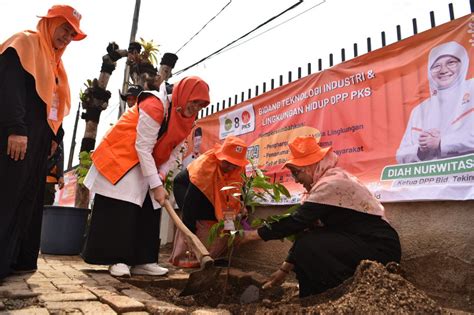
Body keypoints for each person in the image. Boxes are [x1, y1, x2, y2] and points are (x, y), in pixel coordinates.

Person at [81, 76, 210, 277]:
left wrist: (160, 174)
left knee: (152, 206)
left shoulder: (187, 119)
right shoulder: (155, 105)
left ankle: (143, 260)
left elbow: (175, 151)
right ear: (183, 94)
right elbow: (142, 146)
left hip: (146, 159)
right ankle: (118, 259)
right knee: (124, 203)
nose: (195, 108)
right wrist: (155, 183)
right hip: (122, 154)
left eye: (200, 105)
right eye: (194, 102)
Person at [241, 136, 401, 297]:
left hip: (378, 247)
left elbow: (297, 222)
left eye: (296, 173)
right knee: (308, 243)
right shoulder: (325, 184)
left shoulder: (332, 184)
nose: (296, 180)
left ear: (311, 167)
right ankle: (312, 300)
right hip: (359, 242)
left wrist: (251, 236)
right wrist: (284, 270)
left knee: (310, 245)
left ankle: (340, 297)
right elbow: (305, 230)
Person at [0, 4, 86, 279]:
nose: (67, 36)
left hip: (38, 142)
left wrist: (55, 139)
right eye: (64, 28)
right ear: (50, 22)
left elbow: (54, 106)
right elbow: (9, 88)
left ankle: (19, 259)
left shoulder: (56, 63)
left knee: (30, 199)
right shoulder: (24, 43)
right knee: (8, 196)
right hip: (17, 134)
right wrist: (15, 129)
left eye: (72, 34)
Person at [170, 136, 249, 267]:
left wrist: (242, 204)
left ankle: (212, 256)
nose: (230, 167)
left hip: (213, 191)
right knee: (199, 216)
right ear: (220, 156)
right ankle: (186, 257)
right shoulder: (205, 166)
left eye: (234, 164)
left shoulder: (239, 169)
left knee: (222, 220)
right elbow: (190, 203)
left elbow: (237, 192)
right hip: (186, 187)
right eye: (227, 162)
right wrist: (189, 233)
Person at [396, 41, 474, 163]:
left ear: (464, 63)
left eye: (451, 62)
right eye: (436, 66)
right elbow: (400, 154)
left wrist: (441, 143)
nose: (443, 70)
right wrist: (421, 149)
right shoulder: (419, 110)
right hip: (429, 179)